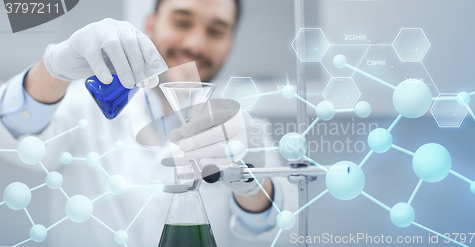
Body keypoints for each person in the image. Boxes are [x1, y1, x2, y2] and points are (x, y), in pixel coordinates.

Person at [0, 0, 297, 246]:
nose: (195, 43)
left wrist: (253, 186)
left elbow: (282, 231)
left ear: (230, 42)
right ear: (151, 25)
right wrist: (53, 70)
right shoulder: (82, 106)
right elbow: (14, 133)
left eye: (216, 31)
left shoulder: (245, 129)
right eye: (182, 22)